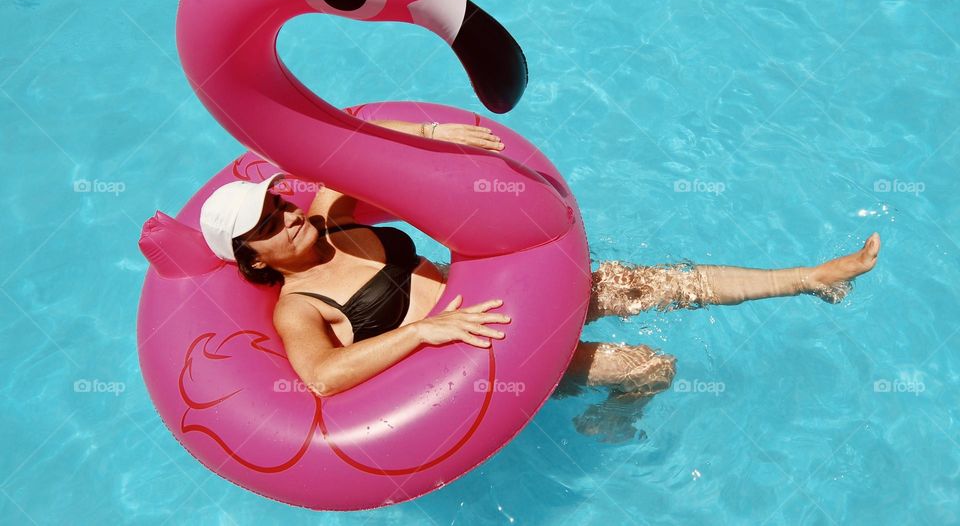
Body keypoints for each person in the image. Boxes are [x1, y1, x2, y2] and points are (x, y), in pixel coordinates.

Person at [199, 119, 881, 442]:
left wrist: (437, 134)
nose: (285, 216)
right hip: (484, 350)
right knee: (650, 368)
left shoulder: (330, 218)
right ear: (253, 258)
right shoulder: (299, 307)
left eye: (278, 203)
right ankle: (607, 421)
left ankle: (809, 277)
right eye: (267, 223)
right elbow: (320, 377)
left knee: (654, 284)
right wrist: (425, 332)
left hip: (508, 297)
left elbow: (357, 148)